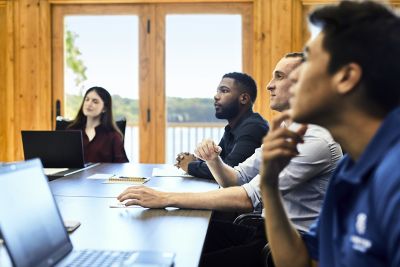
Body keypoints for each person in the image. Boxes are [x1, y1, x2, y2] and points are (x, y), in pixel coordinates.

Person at [118, 53, 342, 266]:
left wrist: (165, 197)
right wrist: (213, 160)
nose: (269, 85)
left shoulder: (314, 139)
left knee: (184, 258)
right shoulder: (285, 131)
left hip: (289, 247)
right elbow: (238, 178)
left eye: (280, 76)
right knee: (176, 233)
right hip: (263, 230)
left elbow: (248, 197)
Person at [260, 1, 400, 267]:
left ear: (346, 77)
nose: (294, 77)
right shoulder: (349, 167)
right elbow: (302, 262)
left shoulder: (394, 177)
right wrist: (269, 184)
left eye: (309, 59)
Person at [175, 72, 269, 180]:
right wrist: (195, 159)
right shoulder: (234, 127)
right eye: (217, 91)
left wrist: (189, 165)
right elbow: (219, 161)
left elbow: (228, 170)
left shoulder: (254, 128)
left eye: (224, 91)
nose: (216, 96)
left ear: (243, 98)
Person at [67, 86, 129, 163]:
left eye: (95, 101)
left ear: (104, 108)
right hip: (74, 175)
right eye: (87, 100)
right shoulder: (71, 131)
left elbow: (122, 165)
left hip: (104, 174)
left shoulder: (113, 136)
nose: (89, 104)